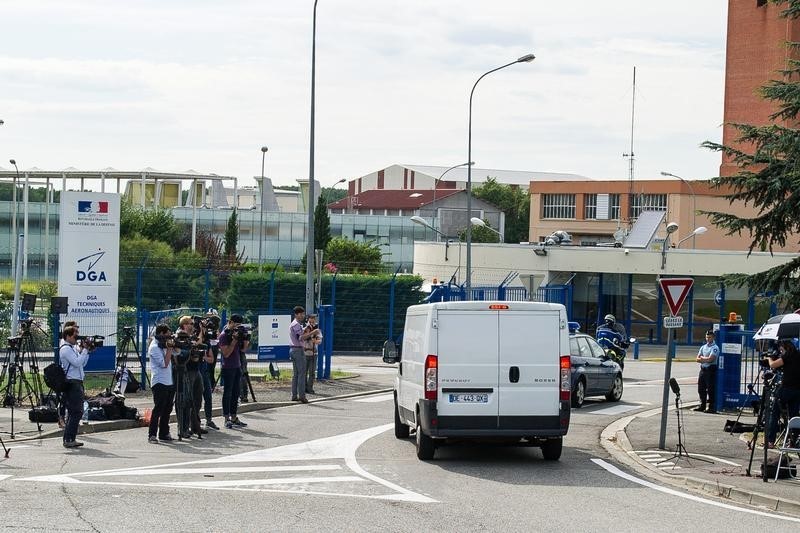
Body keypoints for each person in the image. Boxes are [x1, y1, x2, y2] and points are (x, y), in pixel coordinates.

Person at [59, 325, 93, 448]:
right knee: (76, 412)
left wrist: (87, 351)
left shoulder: (72, 348)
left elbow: (82, 363)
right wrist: (84, 350)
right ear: (68, 336)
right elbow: (77, 362)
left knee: (75, 412)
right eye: (75, 335)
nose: (76, 338)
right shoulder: (65, 349)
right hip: (72, 383)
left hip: (77, 382)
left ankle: (70, 438)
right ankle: (68, 439)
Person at [176, 316, 207, 439]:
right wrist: (200, 332)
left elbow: (198, 344)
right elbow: (194, 345)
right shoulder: (180, 336)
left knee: (197, 400)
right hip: (186, 371)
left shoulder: (191, 336)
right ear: (184, 325)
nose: (193, 325)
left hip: (196, 369)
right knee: (185, 400)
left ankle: (195, 425)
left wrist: (201, 330)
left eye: (194, 323)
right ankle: (183, 427)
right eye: (191, 323)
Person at [766, 338, 800, 448]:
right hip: (797, 390)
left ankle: (770, 441)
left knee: (775, 412)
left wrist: (769, 358)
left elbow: (773, 365)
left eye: (781, 349)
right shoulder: (798, 354)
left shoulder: (787, 355)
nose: (780, 352)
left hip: (786, 389)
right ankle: (793, 441)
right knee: (793, 416)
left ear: (784, 347)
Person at [218, 314, 250, 429]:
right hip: (227, 367)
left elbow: (243, 350)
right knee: (228, 393)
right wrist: (234, 340)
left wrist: (245, 340)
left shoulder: (238, 334)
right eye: (236, 325)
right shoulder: (224, 335)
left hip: (237, 366)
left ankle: (234, 417)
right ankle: (226, 418)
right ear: (230, 322)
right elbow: (226, 354)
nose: (237, 328)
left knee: (236, 393)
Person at [148, 324, 177, 443]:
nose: (168, 337)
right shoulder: (154, 347)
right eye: (167, 335)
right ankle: (152, 434)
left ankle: (164, 433)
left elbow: (177, 353)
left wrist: (175, 345)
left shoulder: (164, 344)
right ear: (161, 333)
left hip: (169, 381)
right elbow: (164, 364)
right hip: (159, 381)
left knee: (168, 409)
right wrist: (169, 349)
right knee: (158, 409)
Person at [289, 306, 317, 403]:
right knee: (302, 373)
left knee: (296, 374)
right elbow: (301, 338)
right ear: (296, 314)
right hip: (298, 350)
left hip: (293, 349)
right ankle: (302, 396)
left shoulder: (295, 324)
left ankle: (294, 395)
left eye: (303, 314)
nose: (302, 316)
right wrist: (312, 332)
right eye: (300, 314)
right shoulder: (296, 324)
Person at [57, 320, 79, 428]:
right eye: (75, 327)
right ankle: (61, 418)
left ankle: (67, 419)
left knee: (69, 400)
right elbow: (75, 361)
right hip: (67, 375)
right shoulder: (64, 344)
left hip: (74, 375)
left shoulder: (73, 343)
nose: (77, 330)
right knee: (64, 398)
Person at [694, 330, 719, 413]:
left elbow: (711, 359)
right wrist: (705, 359)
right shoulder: (703, 347)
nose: (708, 339)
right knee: (701, 388)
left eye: (709, 337)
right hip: (703, 370)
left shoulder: (715, 348)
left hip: (710, 370)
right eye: (707, 337)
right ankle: (702, 405)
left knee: (710, 389)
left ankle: (711, 407)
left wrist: (703, 358)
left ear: (713, 337)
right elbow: (697, 359)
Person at [304, 314, 322, 394]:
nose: (313, 320)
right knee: (304, 371)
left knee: (312, 372)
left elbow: (319, 341)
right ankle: (304, 388)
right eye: (311, 318)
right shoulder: (304, 328)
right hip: (305, 353)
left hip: (314, 353)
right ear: (308, 319)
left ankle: (309, 388)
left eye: (314, 318)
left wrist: (315, 340)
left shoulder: (317, 329)